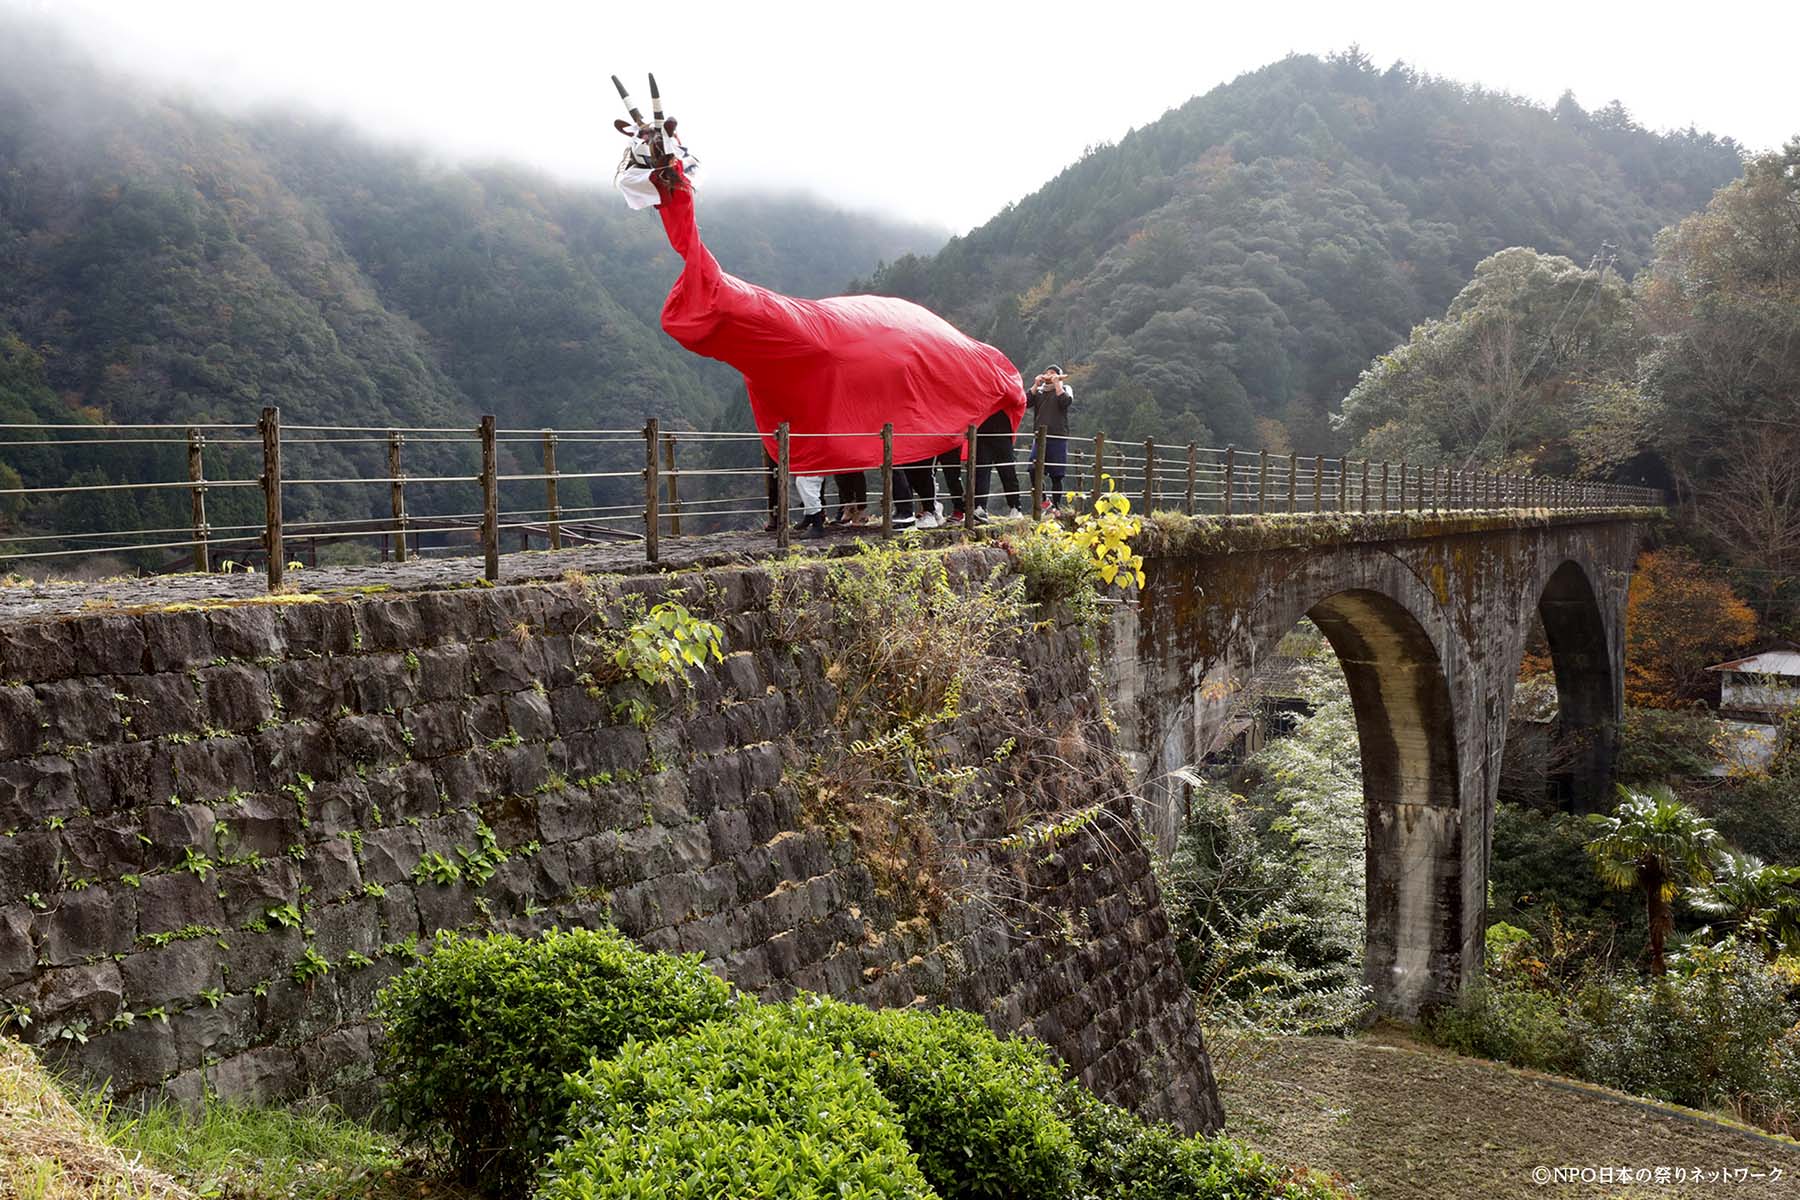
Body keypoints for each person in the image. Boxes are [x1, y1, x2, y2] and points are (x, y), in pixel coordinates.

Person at [1026, 364, 1075, 510]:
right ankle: (1044, 500)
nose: (1049, 375)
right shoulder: (1039, 392)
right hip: (1040, 437)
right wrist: (1036, 384)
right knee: (1033, 469)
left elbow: (1066, 402)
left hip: (1058, 436)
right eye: (1047, 373)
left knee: (1056, 475)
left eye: (1053, 373)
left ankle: (1057, 508)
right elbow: (1026, 402)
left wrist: (1057, 384)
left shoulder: (1065, 389)